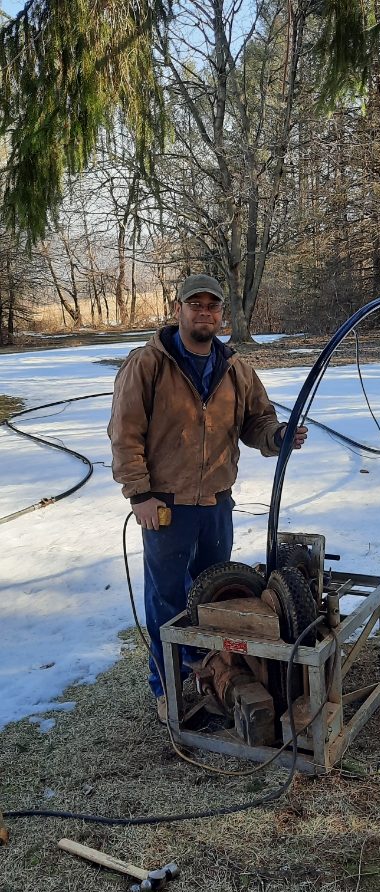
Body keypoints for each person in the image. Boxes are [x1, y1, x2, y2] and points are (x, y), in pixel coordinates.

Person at [108, 274, 308, 721]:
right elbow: (124, 434)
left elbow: (258, 422)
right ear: (177, 309)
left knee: (215, 598)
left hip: (217, 504)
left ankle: (208, 674)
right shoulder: (148, 364)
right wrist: (138, 493)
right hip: (164, 504)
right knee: (167, 602)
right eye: (194, 305)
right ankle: (168, 690)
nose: (204, 313)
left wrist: (277, 436)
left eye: (212, 307)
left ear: (222, 315)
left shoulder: (237, 369)